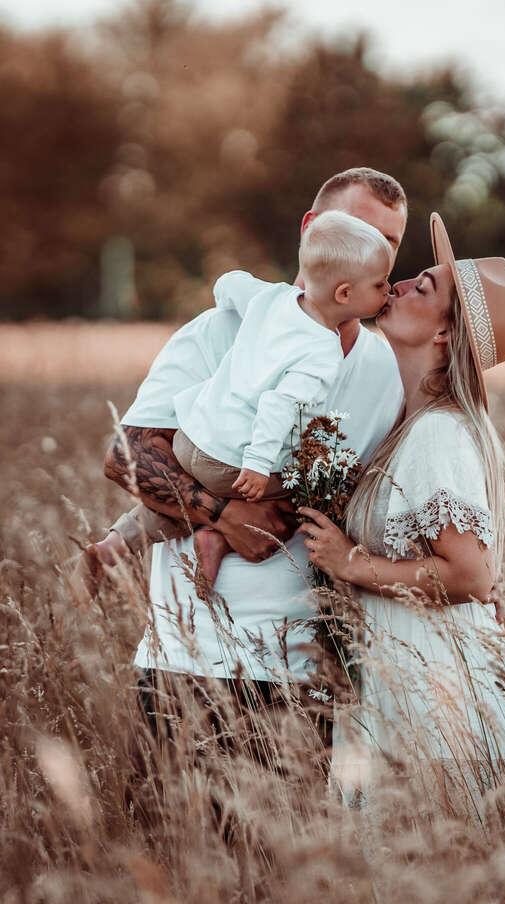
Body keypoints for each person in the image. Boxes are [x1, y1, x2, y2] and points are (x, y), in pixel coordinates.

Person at [77, 167, 408, 769]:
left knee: (293, 861)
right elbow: (126, 455)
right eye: (360, 232)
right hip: (190, 659)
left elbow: (359, 497)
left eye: (390, 245)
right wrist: (223, 516)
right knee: (172, 853)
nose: (376, 256)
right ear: (313, 231)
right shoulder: (226, 329)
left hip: (308, 667)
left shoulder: (385, 368)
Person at [295, 213, 505, 819]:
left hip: (436, 692)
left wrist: (353, 563)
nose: (398, 285)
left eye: (422, 287)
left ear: (447, 335)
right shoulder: (403, 426)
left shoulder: (437, 435)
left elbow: (472, 578)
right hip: (399, 680)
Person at [105, 211, 392, 587]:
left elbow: (231, 282)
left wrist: (222, 293)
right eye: (381, 284)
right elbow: (280, 406)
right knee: (304, 487)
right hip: (233, 459)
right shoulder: (323, 351)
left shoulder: (272, 297)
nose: (389, 289)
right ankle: (217, 539)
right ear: (344, 293)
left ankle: (116, 542)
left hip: (193, 437)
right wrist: (258, 464)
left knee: (201, 491)